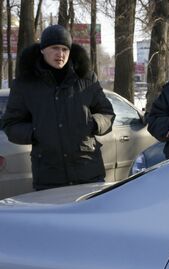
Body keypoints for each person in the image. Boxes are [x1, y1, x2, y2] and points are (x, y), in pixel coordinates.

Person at [2, 24, 115, 191]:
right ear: (42, 49)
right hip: (49, 176)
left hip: (88, 172)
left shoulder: (86, 79)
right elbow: (11, 125)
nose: (60, 54)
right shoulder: (25, 84)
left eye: (65, 49)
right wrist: (35, 131)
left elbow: (107, 113)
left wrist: (93, 123)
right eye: (55, 48)